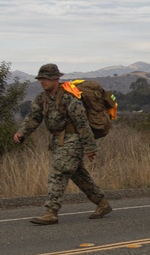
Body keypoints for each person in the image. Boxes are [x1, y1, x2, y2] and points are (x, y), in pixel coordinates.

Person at [13, 63, 111, 225]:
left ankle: (51, 211)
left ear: (56, 79)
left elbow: (82, 123)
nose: (42, 82)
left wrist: (90, 147)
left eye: (46, 78)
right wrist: (22, 132)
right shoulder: (42, 98)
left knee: (59, 171)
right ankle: (102, 203)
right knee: (78, 175)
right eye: (41, 79)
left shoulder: (68, 97)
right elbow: (34, 117)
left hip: (74, 139)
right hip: (57, 141)